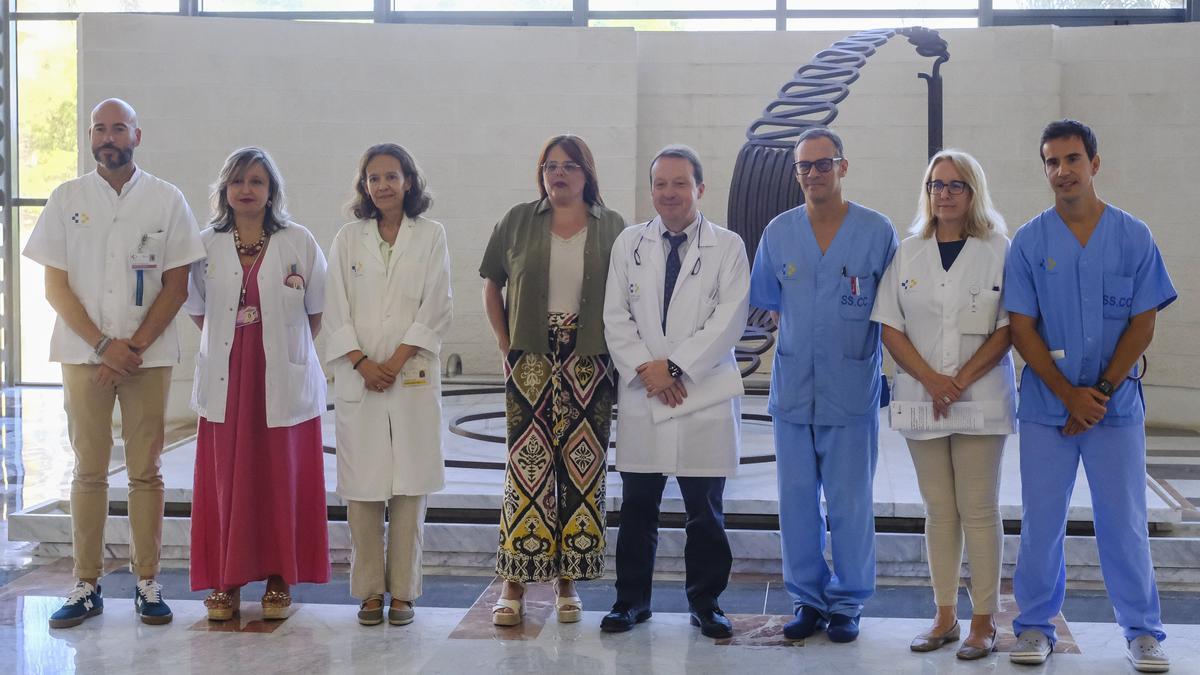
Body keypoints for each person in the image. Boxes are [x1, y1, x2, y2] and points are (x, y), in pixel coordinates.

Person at [23, 98, 204, 629]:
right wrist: (105, 347)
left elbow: (177, 285)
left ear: (137, 136)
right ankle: (85, 584)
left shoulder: (167, 199)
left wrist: (132, 349)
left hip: (147, 359)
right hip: (85, 356)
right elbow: (54, 287)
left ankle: (147, 581)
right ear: (90, 137)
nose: (108, 137)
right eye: (99, 128)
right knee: (89, 471)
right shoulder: (67, 198)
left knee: (146, 472)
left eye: (118, 128)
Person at [1005, 120, 1175, 673]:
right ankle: (1034, 627)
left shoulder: (1133, 236)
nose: (1062, 171)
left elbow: (1143, 323)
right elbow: (1022, 329)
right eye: (1051, 162)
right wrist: (1067, 396)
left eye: (1072, 159)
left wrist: (1098, 393)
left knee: (1123, 521)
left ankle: (1143, 633)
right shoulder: (1031, 241)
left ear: (1094, 164)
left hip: (1115, 409)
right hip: (1046, 410)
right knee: (1042, 522)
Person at [748, 127, 898, 643]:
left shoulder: (877, 232)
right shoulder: (779, 233)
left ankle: (848, 602)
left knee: (850, 502)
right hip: (793, 391)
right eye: (804, 166)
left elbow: (895, 310)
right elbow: (767, 304)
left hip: (851, 388)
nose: (813, 174)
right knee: (795, 500)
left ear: (843, 167)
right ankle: (808, 600)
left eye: (823, 164)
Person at [871, 149, 1015, 659]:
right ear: (927, 192)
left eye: (956, 185)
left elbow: (1009, 327)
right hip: (922, 397)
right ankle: (944, 615)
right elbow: (890, 325)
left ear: (973, 192)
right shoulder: (908, 251)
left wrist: (957, 382)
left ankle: (983, 620)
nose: (945, 194)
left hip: (980, 399)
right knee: (938, 511)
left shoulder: (998, 247)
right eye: (936, 185)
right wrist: (934, 381)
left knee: (978, 509)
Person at [601, 145, 749, 639]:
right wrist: (649, 370)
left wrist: (677, 368)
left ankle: (706, 603)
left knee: (704, 512)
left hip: (698, 393)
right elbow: (615, 316)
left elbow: (730, 318)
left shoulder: (727, 245)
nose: (670, 193)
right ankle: (631, 602)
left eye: (680, 183)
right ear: (651, 190)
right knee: (638, 507)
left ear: (700, 189)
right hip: (647, 392)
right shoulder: (629, 243)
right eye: (661, 184)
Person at [480, 134, 625, 626]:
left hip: (590, 360)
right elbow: (491, 284)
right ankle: (514, 585)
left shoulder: (614, 228)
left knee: (581, 471)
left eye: (570, 166)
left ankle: (568, 585)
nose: (559, 173)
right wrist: (506, 345)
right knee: (527, 470)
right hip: (532, 359)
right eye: (550, 165)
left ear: (588, 173)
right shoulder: (519, 220)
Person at [185, 146, 330, 621]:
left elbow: (316, 310)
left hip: (280, 375)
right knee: (227, 479)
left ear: (271, 192)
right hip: (228, 376)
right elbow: (198, 308)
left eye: (257, 182)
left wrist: (279, 351)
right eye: (237, 181)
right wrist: (238, 343)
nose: (246, 190)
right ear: (224, 190)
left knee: (279, 478)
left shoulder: (298, 240)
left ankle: (279, 579)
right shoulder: (205, 242)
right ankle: (226, 581)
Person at [324, 143, 452, 627]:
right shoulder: (347, 238)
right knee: (362, 492)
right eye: (373, 178)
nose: (382, 186)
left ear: (409, 182)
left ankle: (404, 593)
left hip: (410, 375)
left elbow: (437, 305)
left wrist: (395, 361)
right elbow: (334, 306)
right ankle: (369, 593)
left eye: (391, 176)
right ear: (364, 186)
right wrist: (360, 361)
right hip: (362, 380)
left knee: (409, 491)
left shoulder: (431, 236)